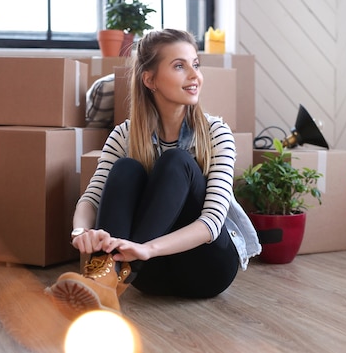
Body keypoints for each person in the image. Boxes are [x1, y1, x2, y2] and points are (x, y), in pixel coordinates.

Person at [45, 28, 260, 320]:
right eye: (179, 66)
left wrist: (146, 248)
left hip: (207, 269)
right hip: (148, 276)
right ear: (150, 79)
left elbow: (211, 223)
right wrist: (81, 232)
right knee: (126, 168)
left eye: (195, 64)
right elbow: (91, 198)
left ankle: (107, 277)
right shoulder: (124, 135)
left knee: (176, 162)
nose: (194, 75)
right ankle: (105, 280)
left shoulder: (216, 133)